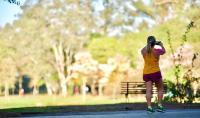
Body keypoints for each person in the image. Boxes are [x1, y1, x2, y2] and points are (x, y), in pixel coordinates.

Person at [141, 36, 166, 113]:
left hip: (146, 73)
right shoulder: (157, 50)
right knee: (160, 89)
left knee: (148, 90)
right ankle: (159, 106)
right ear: (154, 42)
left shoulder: (143, 51)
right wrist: (161, 44)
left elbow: (143, 49)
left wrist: (149, 44)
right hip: (155, 72)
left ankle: (149, 108)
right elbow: (164, 51)